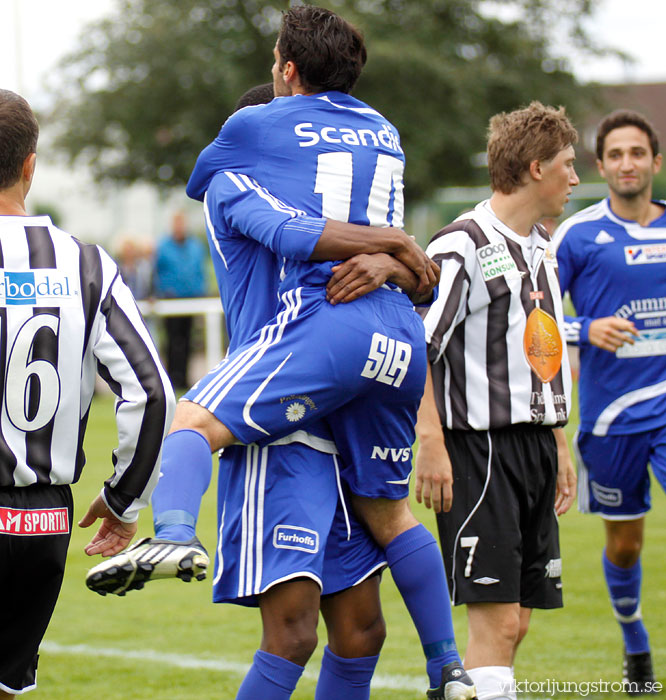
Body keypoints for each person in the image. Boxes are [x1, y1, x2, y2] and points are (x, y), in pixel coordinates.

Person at [86, 7, 475, 700]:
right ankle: (174, 531)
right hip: (284, 413)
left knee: (361, 631)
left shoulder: (297, 162)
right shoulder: (236, 185)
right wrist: (390, 245)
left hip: (339, 384)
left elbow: (411, 275)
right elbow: (293, 229)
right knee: (294, 632)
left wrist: (392, 259)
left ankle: (449, 667)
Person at [0, 89, 175, 697]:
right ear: (30, 165)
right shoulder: (87, 264)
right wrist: (123, 501)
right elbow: (154, 394)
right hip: (39, 521)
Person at [414, 102, 579, 700]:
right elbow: (417, 347)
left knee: (519, 621)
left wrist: (556, 440)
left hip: (533, 445)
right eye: (568, 164)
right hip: (479, 452)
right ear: (536, 168)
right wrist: (430, 440)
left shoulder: (541, 243)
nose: (575, 177)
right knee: (498, 621)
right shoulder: (461, 244)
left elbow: (540, 352)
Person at [554, 109, 666, 694]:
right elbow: (535, 316)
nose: (628, 163)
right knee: (625, 544)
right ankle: (634, 640)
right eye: (616, 154)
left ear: (655, 161)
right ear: (602, 166)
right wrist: (586, 328)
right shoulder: (578, 235)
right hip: (611, 418)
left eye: (637, 153)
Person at [153, 211, 206, 389]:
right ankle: (171, 377)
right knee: (172, 341)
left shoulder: (195, 246)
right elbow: (157, 272)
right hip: (171, 300)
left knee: (188, 340)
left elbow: (200, 271)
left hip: (191, 299)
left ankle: (184, 378)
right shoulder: (164, 246)